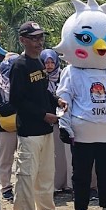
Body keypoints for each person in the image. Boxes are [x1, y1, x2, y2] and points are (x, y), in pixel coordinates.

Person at [55, 0, 106, 210]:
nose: (100, 46)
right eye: (87, 38)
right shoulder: (72, 72)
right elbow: (64, 100)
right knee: (81, 173)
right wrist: (64, 125)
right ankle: (81, 208)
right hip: (83, 132)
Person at [8, 22, 68, 210]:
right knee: (26, 175)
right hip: (29, 131)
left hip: (45, 130)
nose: (38, 42)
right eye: (33, 38)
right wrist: (43, 115)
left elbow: (42, 93)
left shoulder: (39, 64)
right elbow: (17, 99)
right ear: (23, 40)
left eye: (40, 37)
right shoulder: (19, 65)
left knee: (45, 174)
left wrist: (56, 101)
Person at [40, 48, 72, 194]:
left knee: (68, 155)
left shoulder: (63, 75)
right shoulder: (40, 77)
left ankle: (68, 184)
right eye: (46, 62)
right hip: (50, 120)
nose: (50, 65)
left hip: (65, 119)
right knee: (55, 155)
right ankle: (56, 184)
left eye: (52, 62)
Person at [0, 53, 19, 202]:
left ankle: (23, 187)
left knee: (25, 158)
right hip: (4, 127)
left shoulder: (22, 82)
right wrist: (18, 106)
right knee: (5, 159)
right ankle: (6, 188)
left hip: (23, 125)